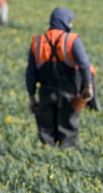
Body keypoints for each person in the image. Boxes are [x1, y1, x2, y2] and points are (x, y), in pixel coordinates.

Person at [26, 8, 96, 148]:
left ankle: (47, 162)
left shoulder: (37, 41)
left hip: (46, 93)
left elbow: (30, 73)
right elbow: (84, 64)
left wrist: (32, 96)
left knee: (46, 132)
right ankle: (64, 161)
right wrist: (88, 85)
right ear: (65, 22)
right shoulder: (71, 40)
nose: (71, 25)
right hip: (69, 94)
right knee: (68, 131)